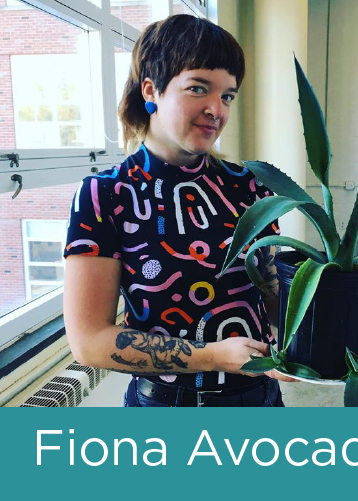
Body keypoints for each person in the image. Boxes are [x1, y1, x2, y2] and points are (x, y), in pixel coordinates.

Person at [63, 14, 296, 407]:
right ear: (151, 90)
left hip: (261, 400)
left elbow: (270, 295)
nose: (216, 109)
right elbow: (89, 342)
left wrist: (334, 323)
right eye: (198, 88)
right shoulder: (105, 195)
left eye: (227, 96)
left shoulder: (251, 186)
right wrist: (213, 356)